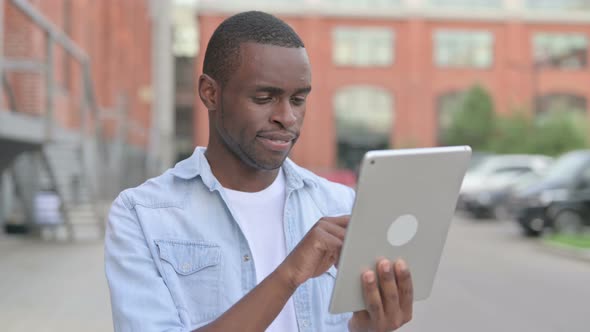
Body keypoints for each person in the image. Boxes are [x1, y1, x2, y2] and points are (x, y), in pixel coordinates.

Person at [105, 11, 413, 332]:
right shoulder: (141, 214)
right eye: (264, 98)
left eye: (298, 99)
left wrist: (364, 329)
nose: (287, 117)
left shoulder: (339, 204)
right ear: (210, 93)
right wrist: (289, 275)